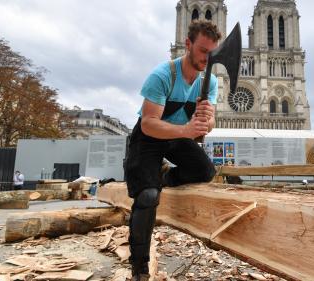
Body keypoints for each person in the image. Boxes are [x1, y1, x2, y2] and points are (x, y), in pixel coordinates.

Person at [124, 20, 222, 281]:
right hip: (149, 136)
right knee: (147, 196)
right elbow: (148, 124)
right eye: (203, 51)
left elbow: (207, 127)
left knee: (205, 170)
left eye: (212, 53)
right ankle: (139, 267)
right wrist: (186, 131)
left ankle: (164, 177)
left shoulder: (209, 82)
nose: (207, 58)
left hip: (180, 134)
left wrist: (208, 119)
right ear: (188, 44)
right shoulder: (163, 75)